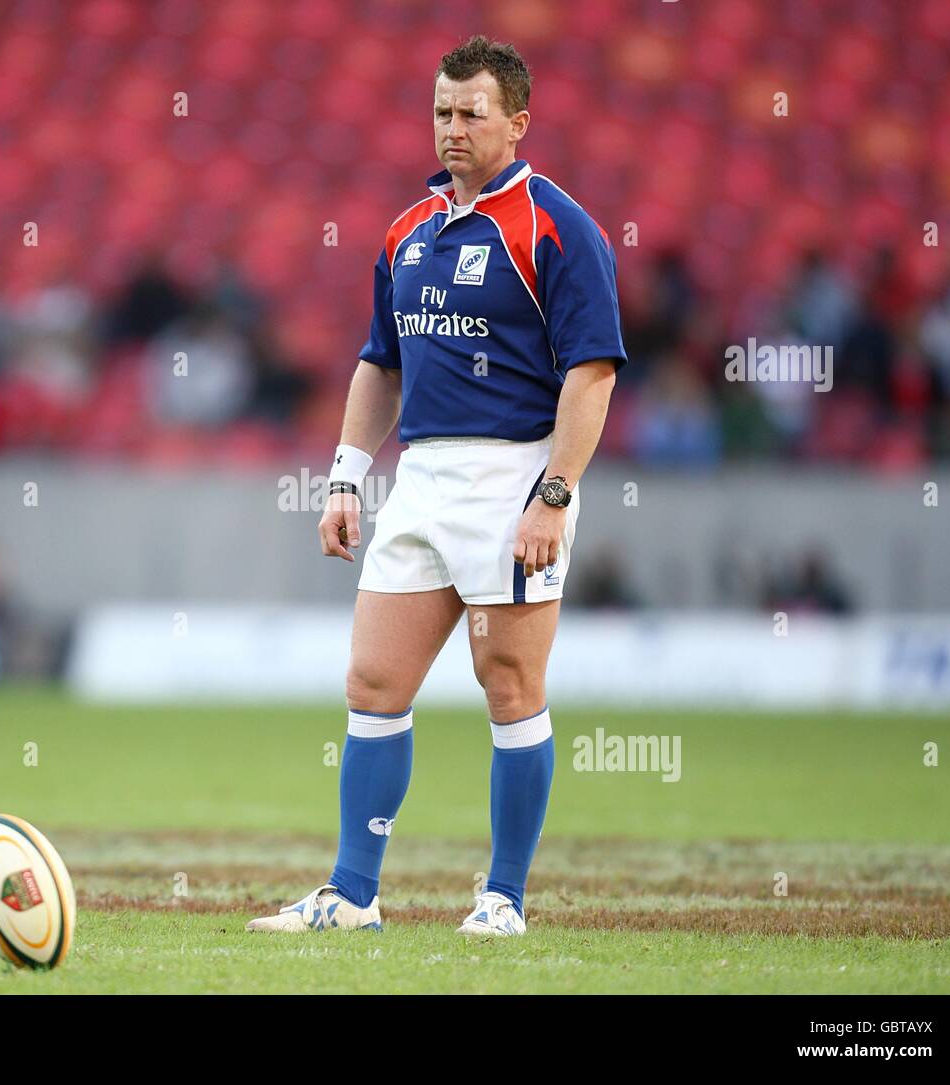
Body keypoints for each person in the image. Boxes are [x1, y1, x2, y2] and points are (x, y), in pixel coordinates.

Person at [248, 36, 626, 937]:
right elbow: (380, 364)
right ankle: (352, 893)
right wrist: (345, 476)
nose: (453, 129)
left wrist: (555, 493)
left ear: (518, 121)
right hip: (420, 475)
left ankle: (503, 898)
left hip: (514, 477)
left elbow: (594, 374)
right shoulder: (405, 231)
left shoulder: (557, 227)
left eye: (472, 113)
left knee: (508, 686)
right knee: (374, 680)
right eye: (443, 112)